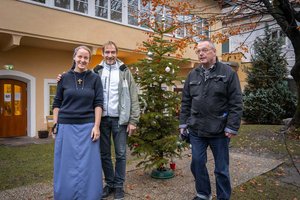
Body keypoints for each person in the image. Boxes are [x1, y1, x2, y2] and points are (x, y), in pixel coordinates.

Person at [179, 40, 243, 200]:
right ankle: (203, 193)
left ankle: (223, 196)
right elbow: (186, 101)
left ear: (214, 52)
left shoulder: (228, 73)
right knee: (197, 163)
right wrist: (183, 123)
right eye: (198, 51)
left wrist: (231, 127)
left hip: (219, 130)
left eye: (205, 50)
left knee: (221, 169)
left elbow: (236, 102)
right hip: (197, 130)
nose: (201, 53)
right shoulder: (192, 75)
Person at [52, 45, 104, 200]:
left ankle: (90, 196)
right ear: (74, 57)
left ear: (89, 60)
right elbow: (56, 104)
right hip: (66, 127)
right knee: (66, 165)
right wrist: (56, 125)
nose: (82, 60)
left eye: (86, 57)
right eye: (80, 56)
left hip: (88, 127)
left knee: (89, 165)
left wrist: (96, 126)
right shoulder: (64, 78)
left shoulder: (95, 78)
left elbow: (98, 103)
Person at [94, 41, 140, 200]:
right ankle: (110, 184)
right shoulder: (96, 71)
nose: (110, 55)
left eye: (113, 52)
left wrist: (133, 120)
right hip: (102, 120)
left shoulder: (124, 71)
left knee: (120, 154)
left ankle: (119, 185)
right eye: (107, 52)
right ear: (102, 53)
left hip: (120, 120)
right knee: (104, 154)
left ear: (117, 53)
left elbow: (134, 95)